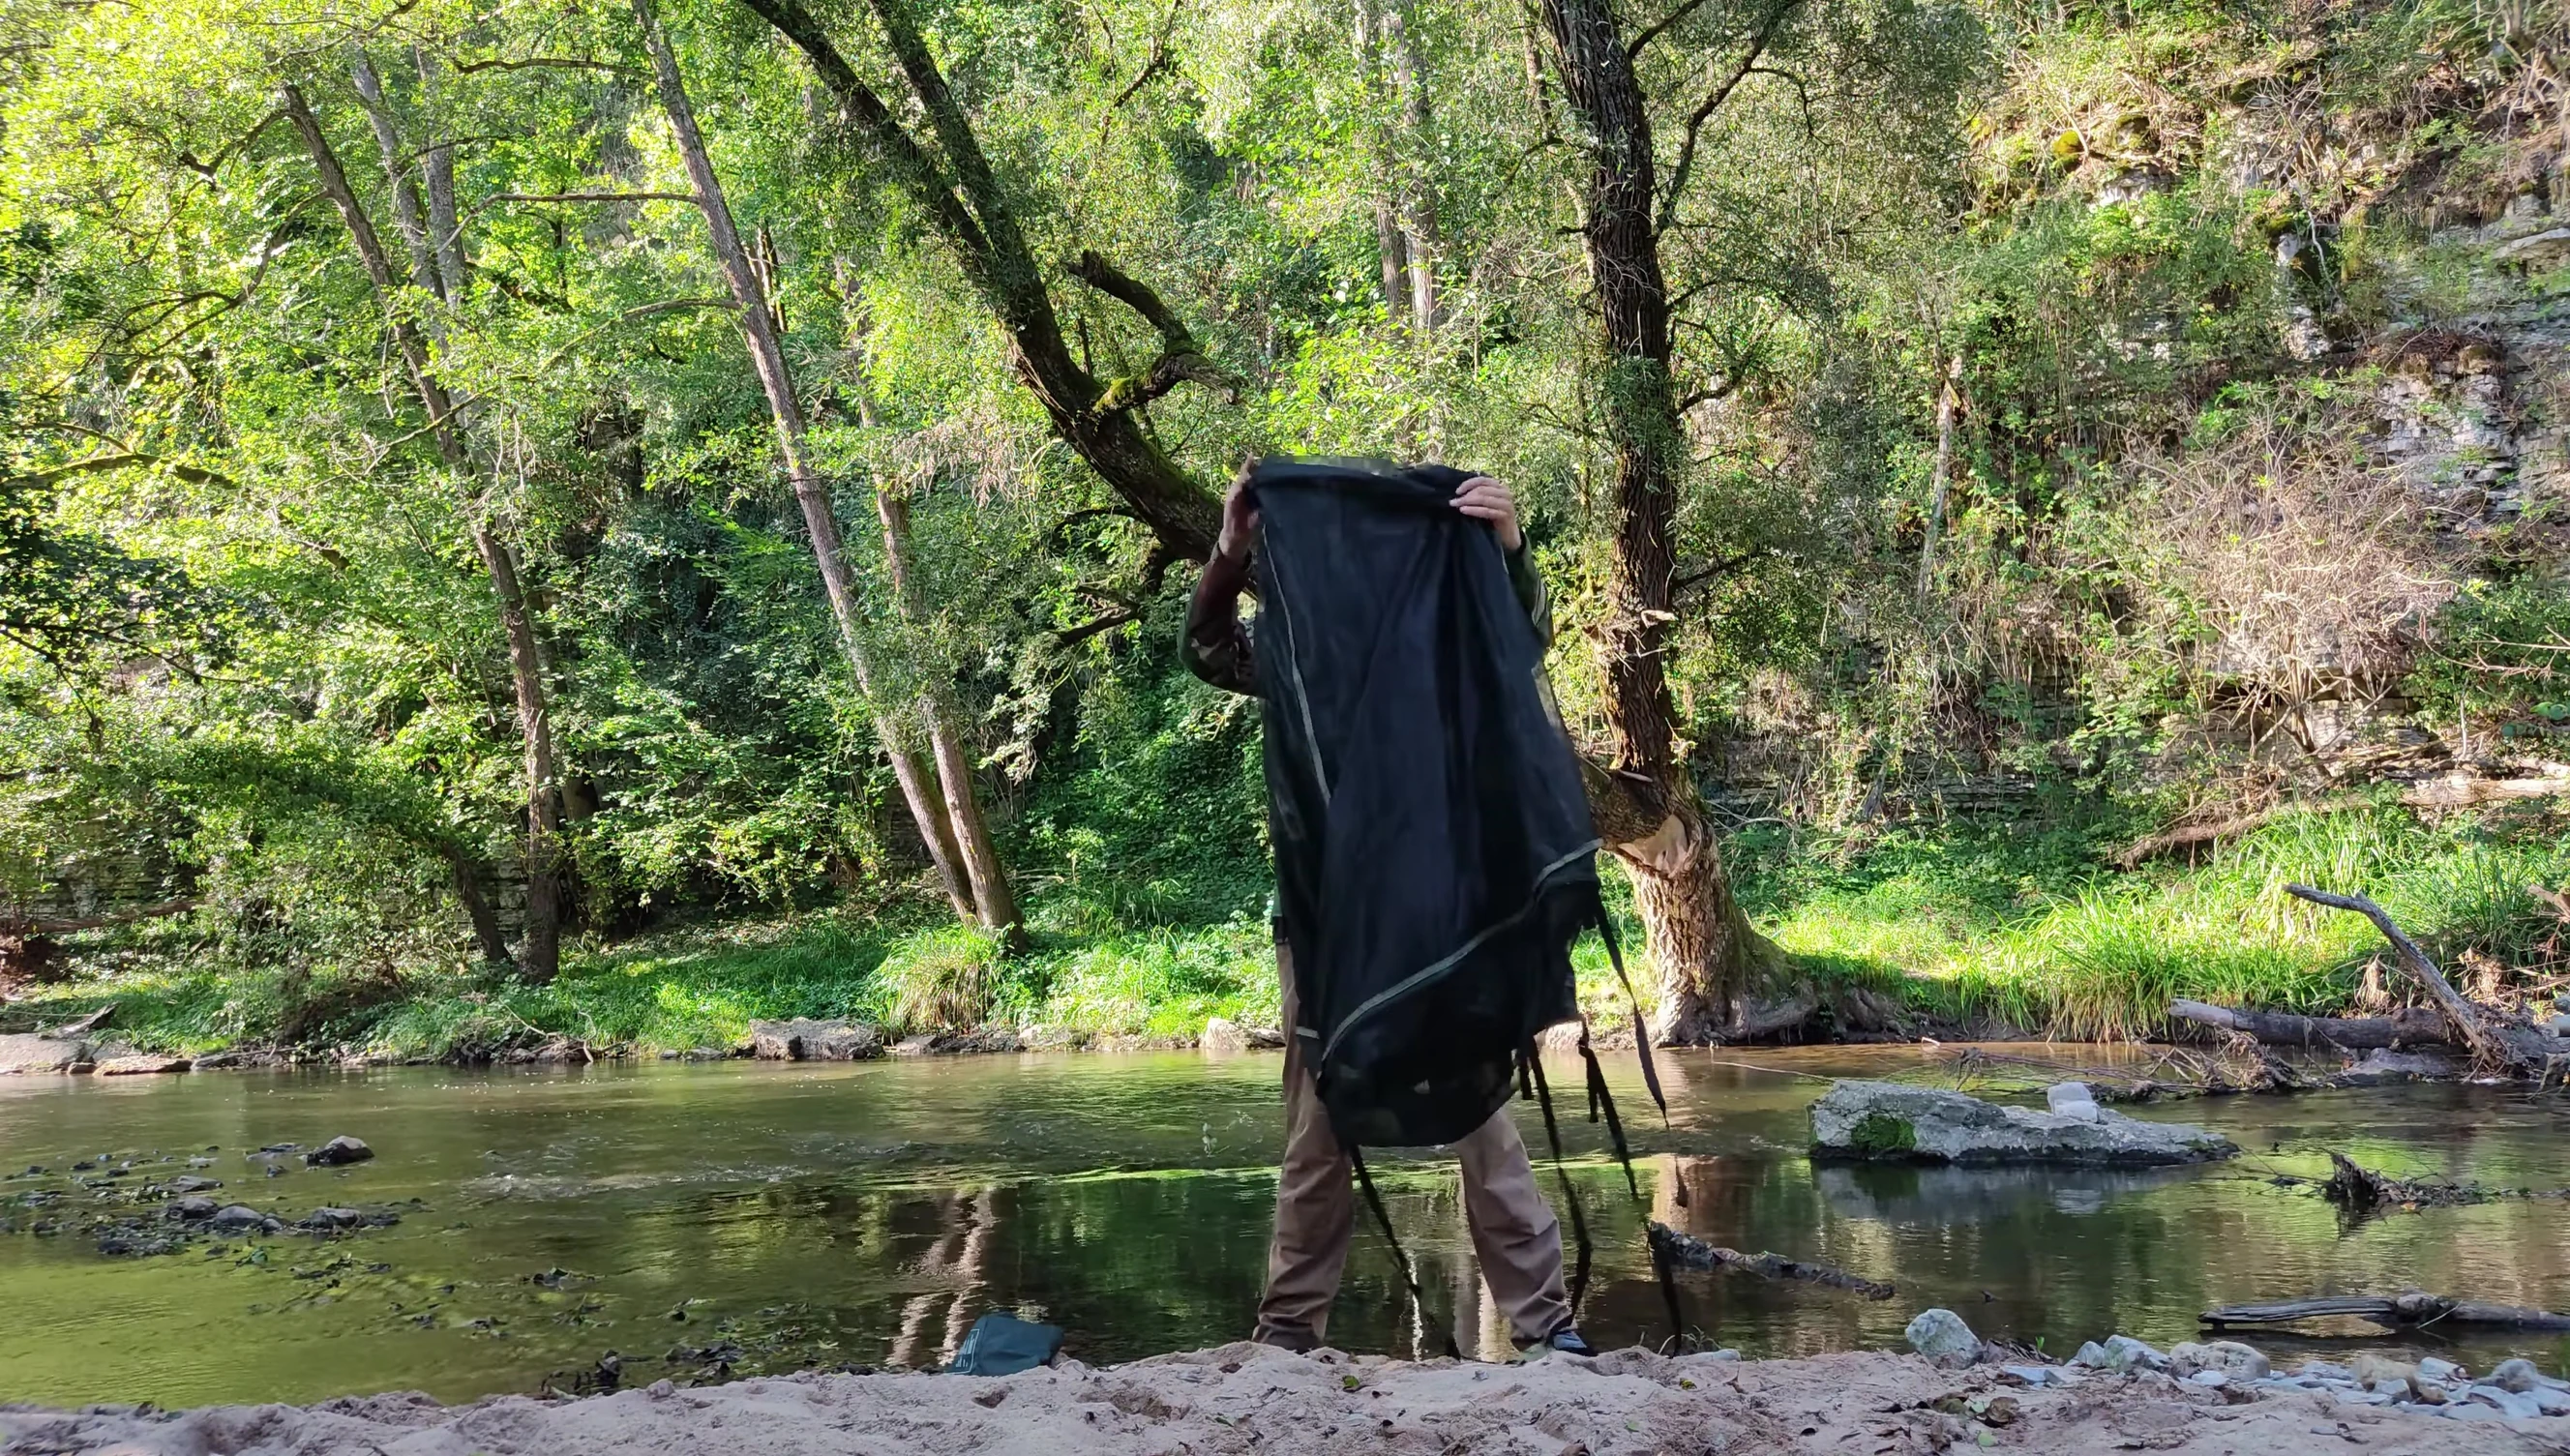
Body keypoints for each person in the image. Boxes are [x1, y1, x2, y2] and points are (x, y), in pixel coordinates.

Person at [1181, 461, 1597, 1359]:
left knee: (1481, 1113)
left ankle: (1545, 1324)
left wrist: (1509, 546)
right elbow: (1209, 650)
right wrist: (1230, 551)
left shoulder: (1441, 659)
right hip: (1324, 929)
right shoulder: (1301, 655)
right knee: (1320, 1123)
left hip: (1441, 924)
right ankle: (1289, 1333)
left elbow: (1519, 640)